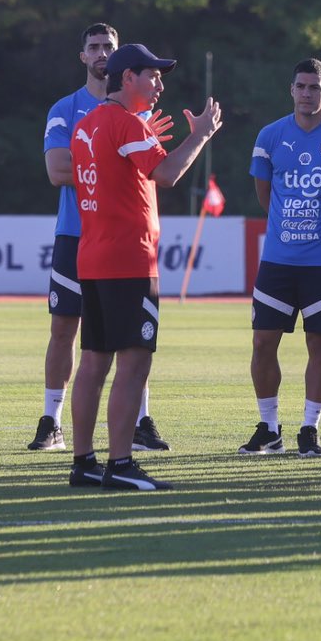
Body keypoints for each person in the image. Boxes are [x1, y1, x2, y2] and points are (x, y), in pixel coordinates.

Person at [66, 44, 221, 491]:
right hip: (129, 260)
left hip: (93, 258)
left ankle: (84, 463)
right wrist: (202, 135)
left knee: (93, 362)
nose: (160, 85)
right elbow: (168, 174)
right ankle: (121, 464)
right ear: (127, 76)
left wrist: (143, 136)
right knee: (133, 363)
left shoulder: (87, 124)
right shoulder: (127, 123)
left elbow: (115, 172)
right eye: (152, 75)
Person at [34, 24, 171, 454]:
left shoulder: (141, 112)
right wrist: (115, 163)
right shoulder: (66, 109)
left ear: (117, 61)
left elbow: (152, 174)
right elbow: (56, 171)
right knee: (66, 331)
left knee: (131, 340)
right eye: (93, 47)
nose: (100, 53)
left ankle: (140, 422)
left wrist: (110, 163)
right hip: (76, 234)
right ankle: (50, 420)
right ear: (82, 57)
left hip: (124, 238)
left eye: (108, 48)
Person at [242, 59, 321, 457]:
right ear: (290, 89)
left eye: (315, 87)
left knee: (320, 345)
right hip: (278, 260)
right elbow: (265, 195)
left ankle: (310, 427)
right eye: (301, 86)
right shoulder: (271, 135)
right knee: (262, 343)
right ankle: (269, 428)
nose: (307, 93)